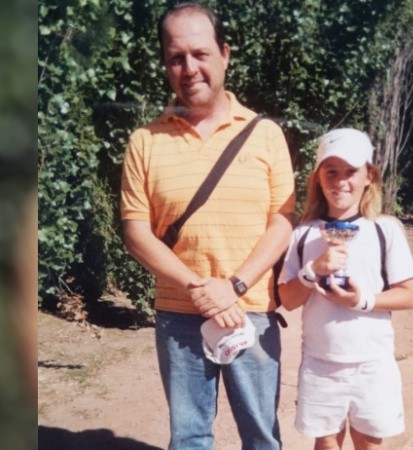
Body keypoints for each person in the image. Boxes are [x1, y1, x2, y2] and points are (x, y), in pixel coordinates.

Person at [120, 3, 295, 449]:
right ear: (165, 64)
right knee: (189, 438)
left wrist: (232, 287)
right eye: (176, 57)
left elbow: (281, 222)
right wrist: (202, 289)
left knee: (261, 438)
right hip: (179, 314)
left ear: (225, 55)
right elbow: (137, 234)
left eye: (200, 54)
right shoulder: (145, 141)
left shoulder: (265, 134)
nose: (189, 68)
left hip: (251, 311)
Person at [278, 128, 413, 450]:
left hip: (372, 362)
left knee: (368, 443)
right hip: (320, 363)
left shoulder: (386, 231)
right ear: (318, 178)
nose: (340, 181)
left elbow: (408, 295)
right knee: (326, 444)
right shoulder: (303, 235)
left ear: (369, 175)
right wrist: (312, 272)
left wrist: (362, 299)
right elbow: (287, 299)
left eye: (351, 171)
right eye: (331, 171)